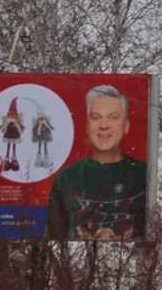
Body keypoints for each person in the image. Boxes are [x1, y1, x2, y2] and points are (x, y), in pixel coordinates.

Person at [47, 84, 150, 241]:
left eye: (113, 117)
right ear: (87, 126)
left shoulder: (144, 175)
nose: (103, 125)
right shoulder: (67, 178)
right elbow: (54, 237)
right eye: (96, 117)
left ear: (126, 126)